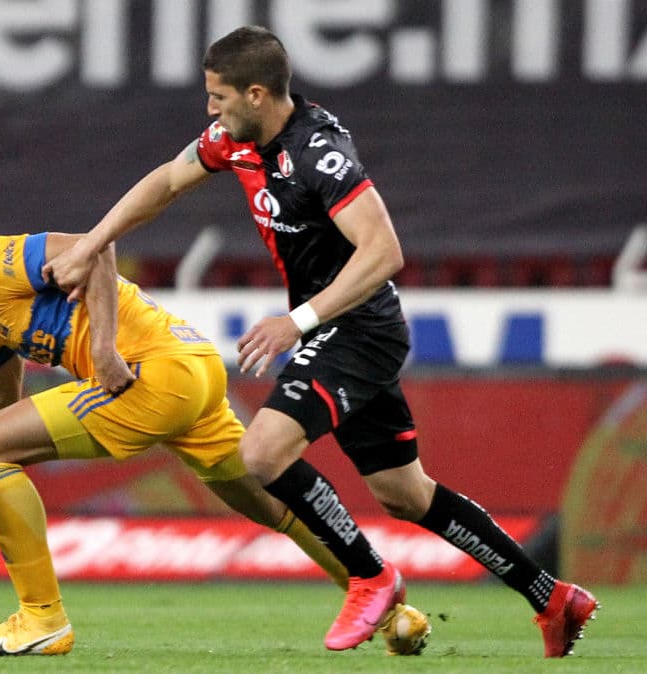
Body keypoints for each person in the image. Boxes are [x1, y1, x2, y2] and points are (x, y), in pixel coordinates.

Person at [42, 25, 598, 658]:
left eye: (218, 97)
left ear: (256, 94)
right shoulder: (237, 141)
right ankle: (551, 597)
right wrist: (90, 246)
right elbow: (167, 181)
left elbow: (384, 252)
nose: (209, 111)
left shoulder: (318, 152)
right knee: (406, 494)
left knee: (262, 453)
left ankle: (370, 576)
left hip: (357, 329)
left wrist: (297, 321)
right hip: (345, 330)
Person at [0, 214, 424, 657]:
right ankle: (384, 597)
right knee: (268, 504)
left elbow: (95, 249)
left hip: (152, 375)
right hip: (192, 370)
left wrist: (101, 350)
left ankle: (42, 618)